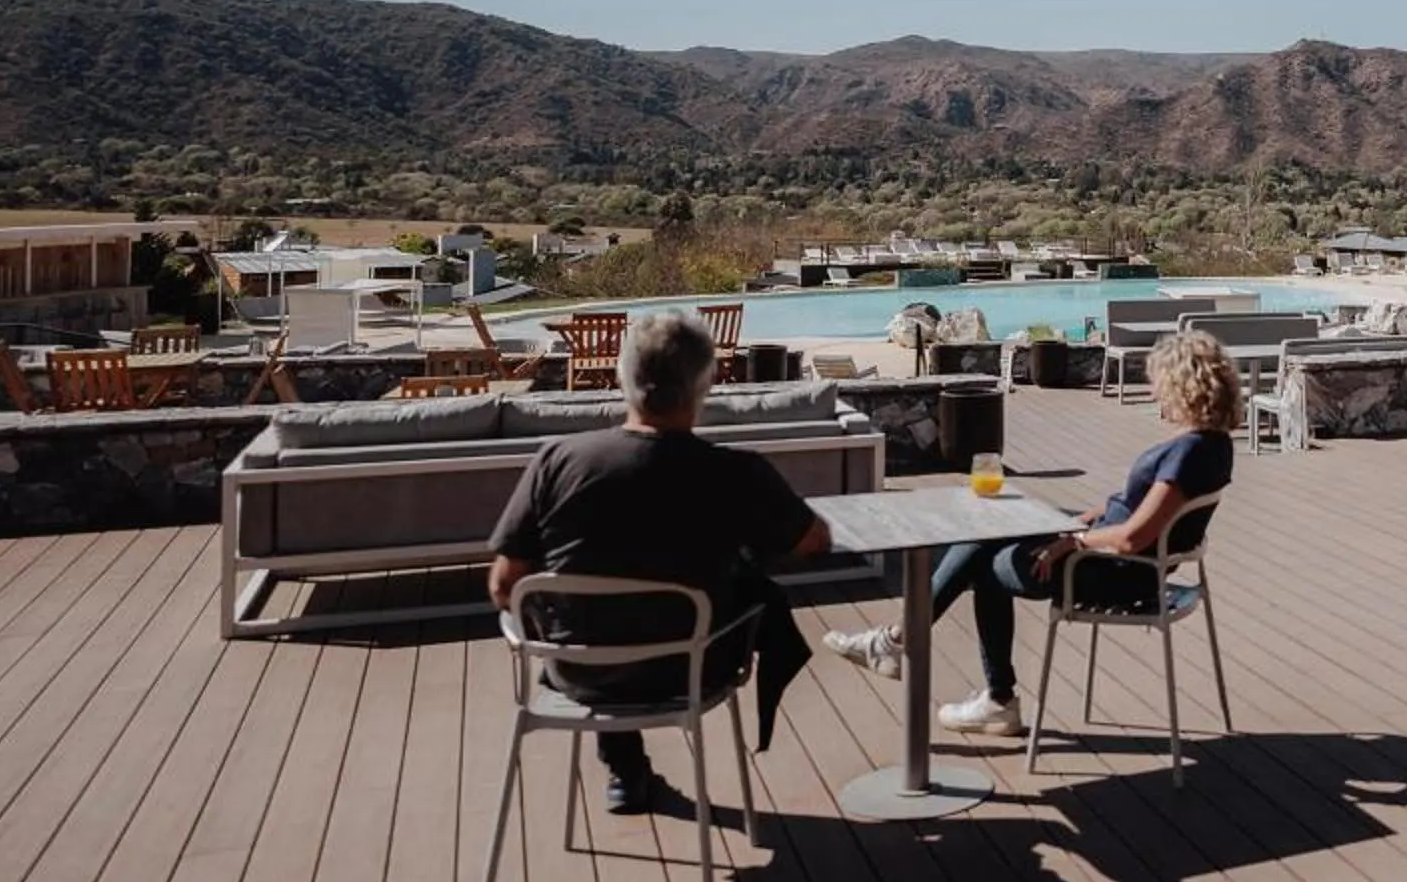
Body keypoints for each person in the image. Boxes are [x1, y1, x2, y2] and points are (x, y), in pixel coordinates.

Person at [488, 309, 829, 814]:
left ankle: (624, 768)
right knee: (738, 589)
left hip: (578, 670)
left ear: (623, 379)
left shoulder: (558, 459)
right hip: (692, 670)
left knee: (606, 620)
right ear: (705, 384)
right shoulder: (736, 474)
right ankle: (628, 768)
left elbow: (503, 586)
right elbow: (813, 543)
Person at [825, 328, 1239, 736]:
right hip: (1111, 559)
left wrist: (1070, 542)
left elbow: (1133, 536)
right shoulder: (1213, 445)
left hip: (1109, 570)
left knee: (982, 557)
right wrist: (1076, 522)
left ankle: (931, 660)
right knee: (988, 536)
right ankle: (944, 669)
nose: (1153, 391)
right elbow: (1129, 507)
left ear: (1182, 385)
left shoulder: (1188, 453)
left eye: (1158, 381)